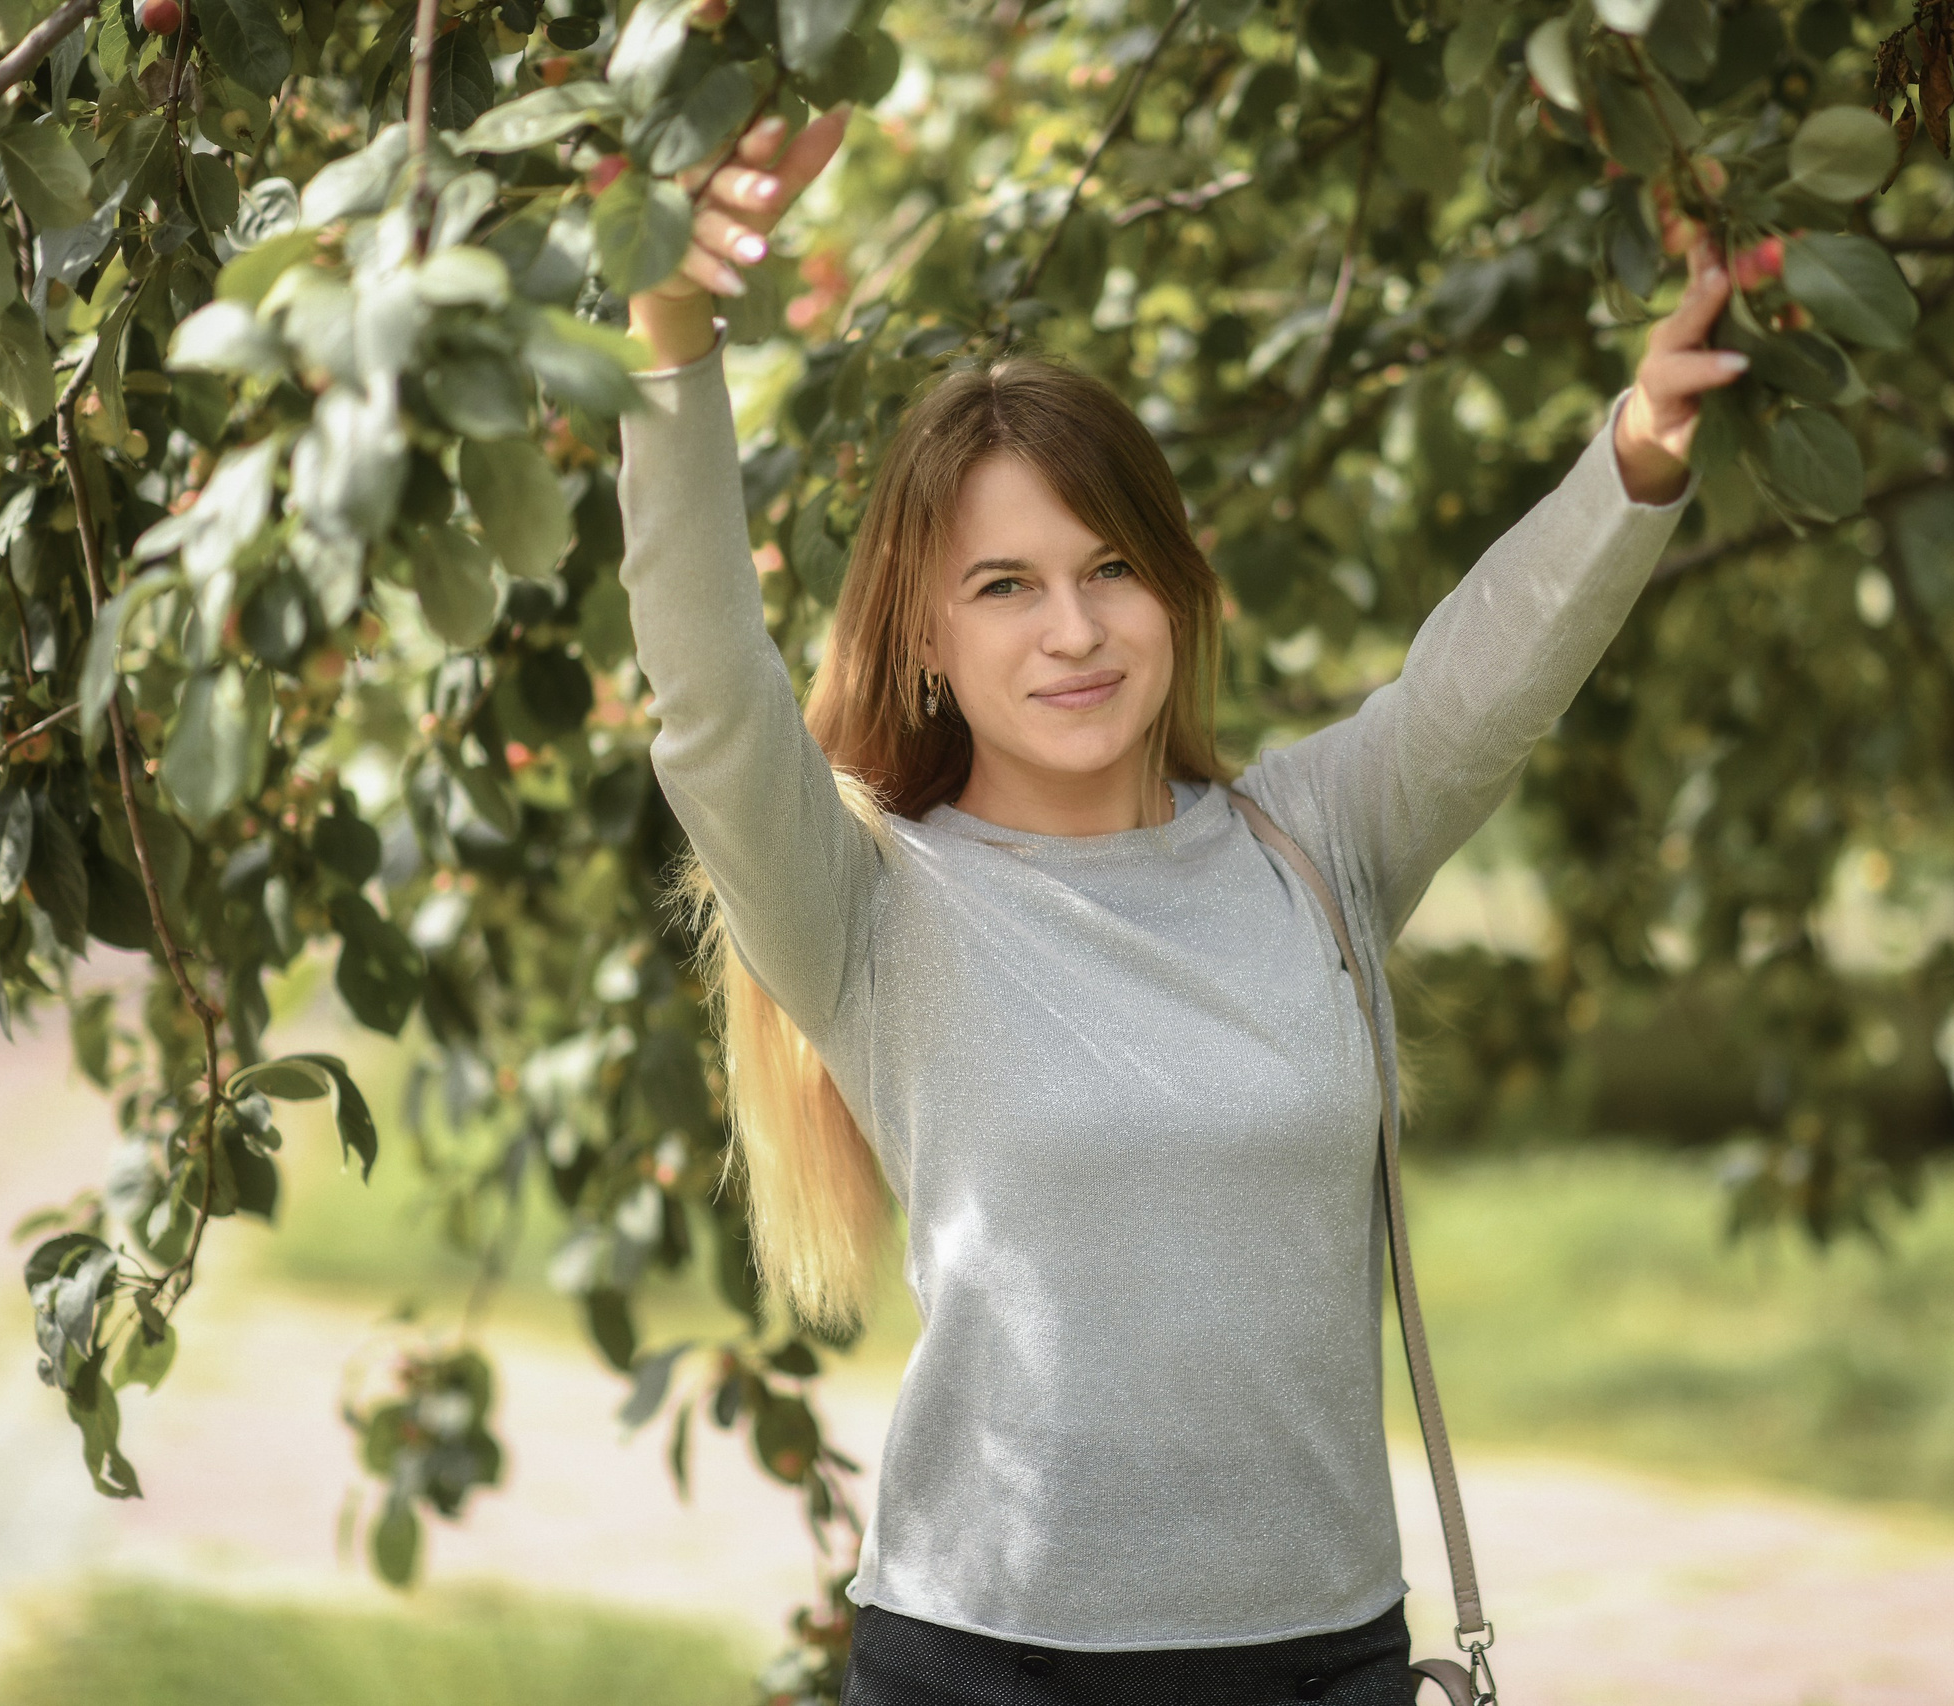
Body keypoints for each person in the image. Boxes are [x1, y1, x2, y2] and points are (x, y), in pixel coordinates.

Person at [620, 106, 1746, 1706]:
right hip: (984, 1668)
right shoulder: (874, 905)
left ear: (1177, 583)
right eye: (1005, 585)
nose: (1073, 630)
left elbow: (1489, 671)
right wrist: (670, 334)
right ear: (927, 637)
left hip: (1317, 1662)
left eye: (1110, 569)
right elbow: (712, 706)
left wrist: (1636, 450)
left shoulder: (1316, 843)